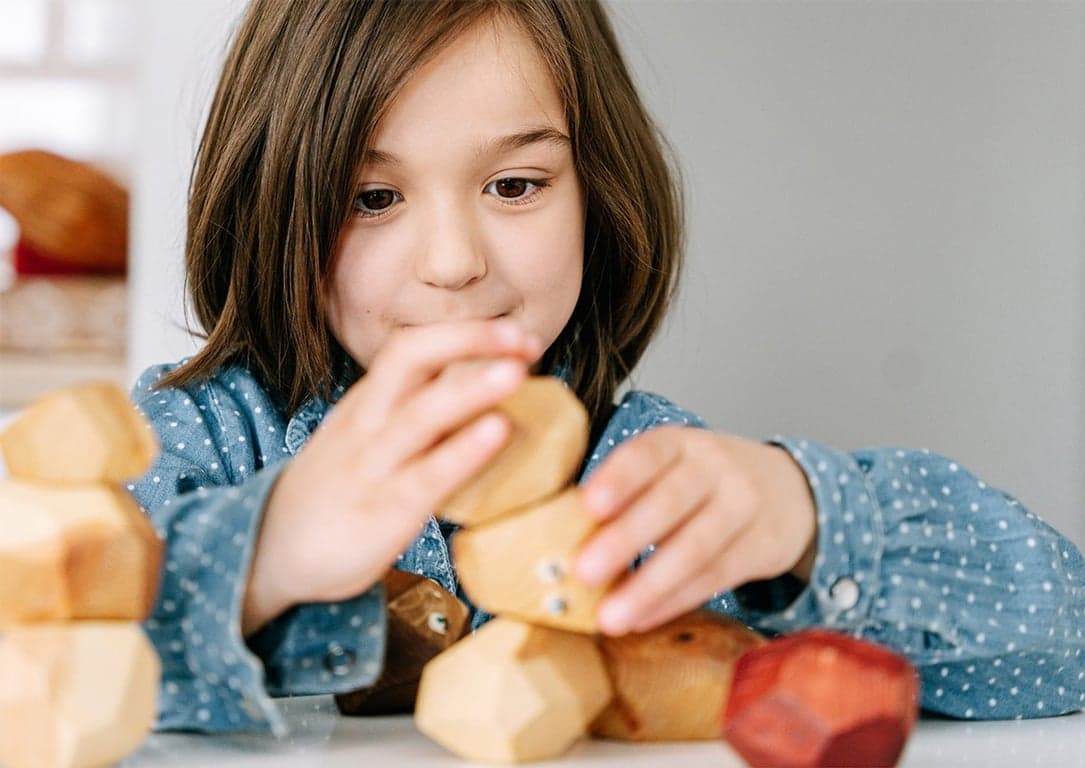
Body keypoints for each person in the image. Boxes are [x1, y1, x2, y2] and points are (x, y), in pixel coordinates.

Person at [129, 0, 1084, 735]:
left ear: (597, 198)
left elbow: (1061, 649)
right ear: (271, 203)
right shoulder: (199, 441)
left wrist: (806, 519)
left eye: (515, 185)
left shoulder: (642, 478)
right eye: (372, 197)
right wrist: (267, 555)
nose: (454, 259)